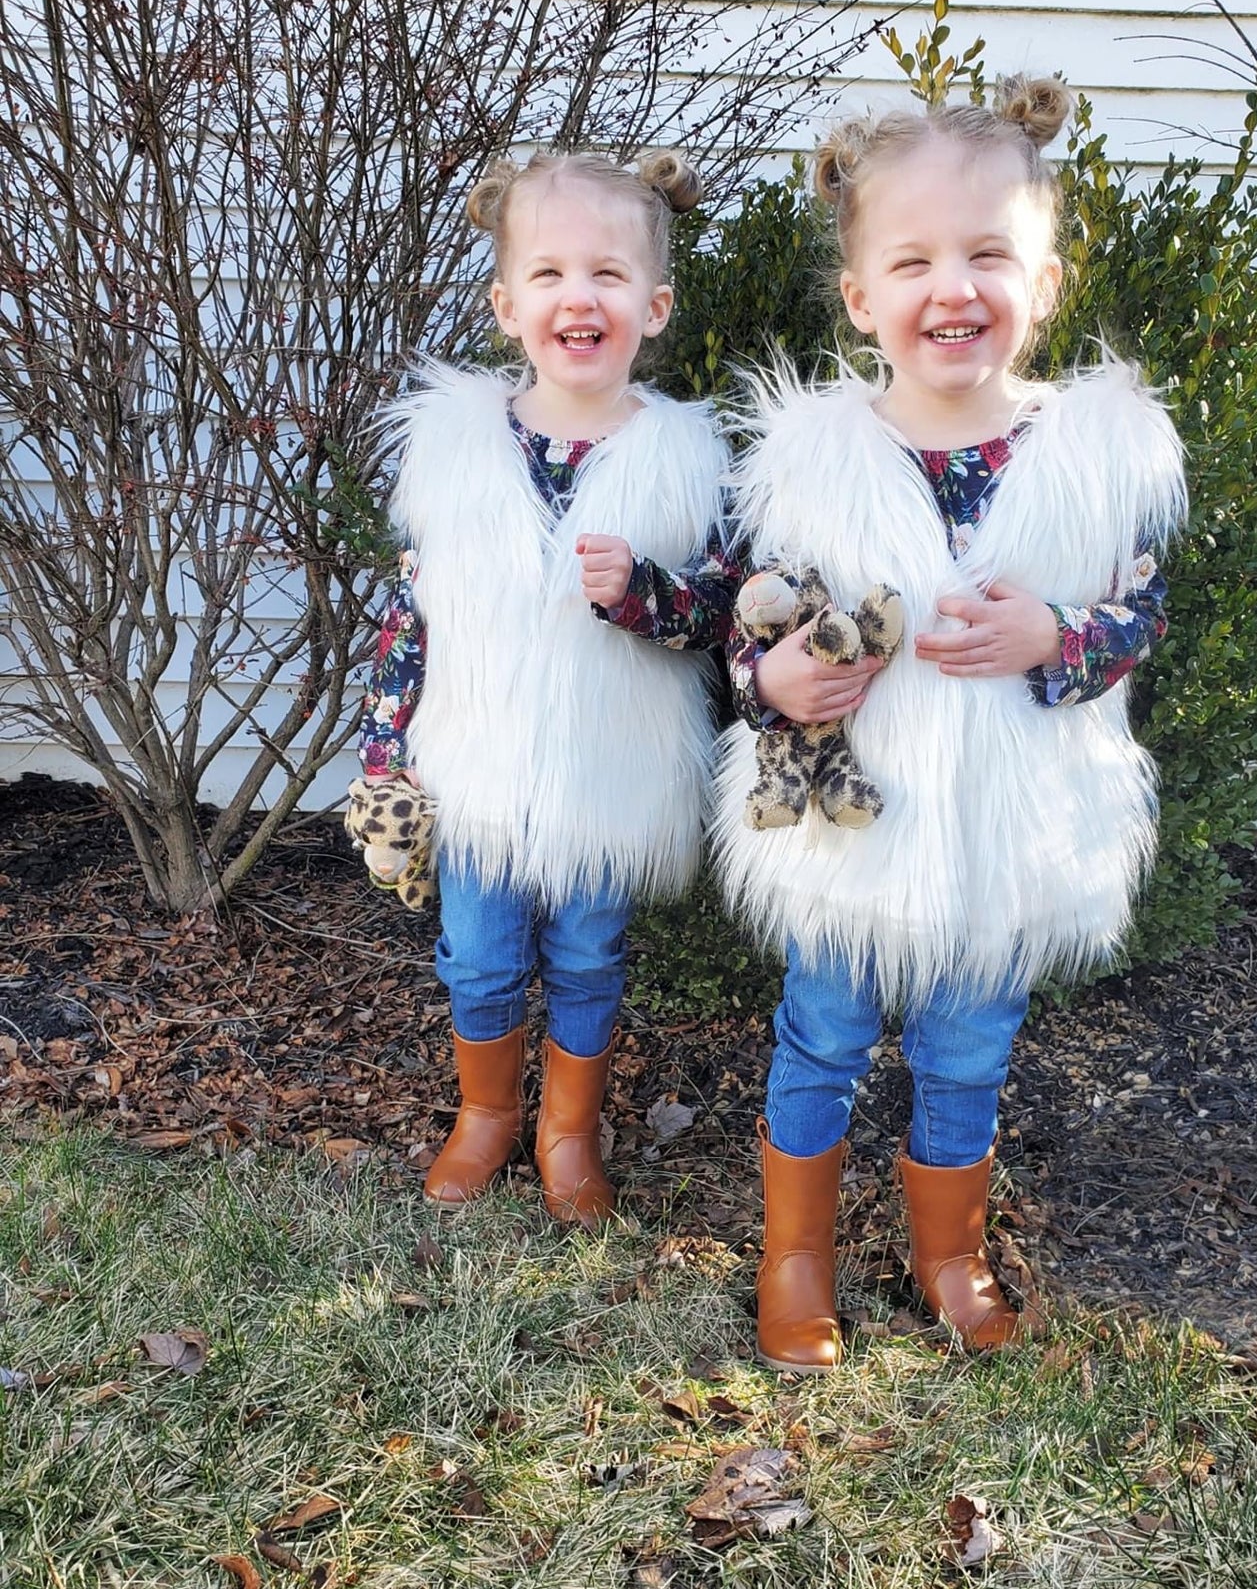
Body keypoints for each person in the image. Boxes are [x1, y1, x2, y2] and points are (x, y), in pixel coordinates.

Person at [715, 77, 1186, 1370]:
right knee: (820, 1028)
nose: (953, 287)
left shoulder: (1092, 456)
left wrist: (1053, 636)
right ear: (863, 297)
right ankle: (794, 1252)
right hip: (848, 824)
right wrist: (781, 676)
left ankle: (945, 1251)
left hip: (1004, 830)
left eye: (987, 253)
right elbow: (746, 620)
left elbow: (1132, 619)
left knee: (968, 1043)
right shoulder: (812, 458)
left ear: (1042, 278)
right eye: (913, 259)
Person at [359, 148, 736, 1225]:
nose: (581, 296)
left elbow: (723, 612)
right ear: (507, 303)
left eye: (609, 276)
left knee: (585, 957)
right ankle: (485, 1116)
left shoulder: (682, 459)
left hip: (606, 777)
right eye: (551, 274)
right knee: (477, 959)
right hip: (475, 766)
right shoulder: (454, 449)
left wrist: (644, 595)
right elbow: (409, 611)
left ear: (654, 305)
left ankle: (567, 1132)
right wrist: (386, 759)